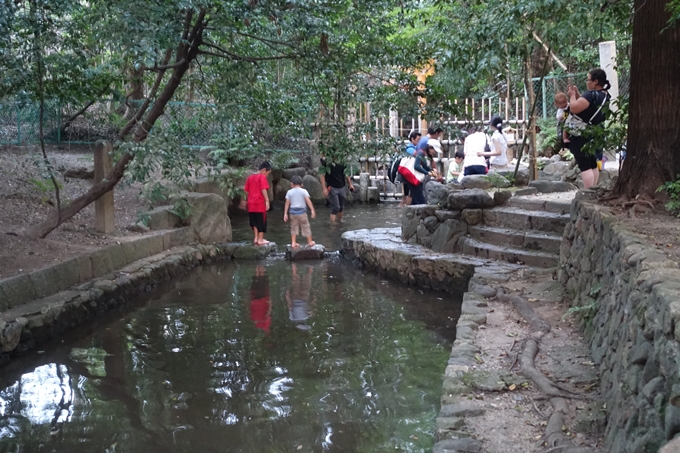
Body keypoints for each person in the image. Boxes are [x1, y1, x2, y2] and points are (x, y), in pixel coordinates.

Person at [566, 68, 611, 189]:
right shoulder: (604, 95)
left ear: (595, 81)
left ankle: (587, 191)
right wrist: (577, 95)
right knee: (592, 163)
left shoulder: (590, 94)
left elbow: (574, 108)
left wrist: (571, 96)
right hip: (592, 131)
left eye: (588, 79)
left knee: (584, 165)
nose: (587, 82)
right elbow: (586, 105)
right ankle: (593, 189)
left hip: (580, 133)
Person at [243, 161, 272, 245]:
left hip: (251, 205)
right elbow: (263, 189)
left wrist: (245, 201)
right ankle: (261, 239)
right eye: (267, 173)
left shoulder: (250, 177)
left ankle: (256, 238)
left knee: (255, 222)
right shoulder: (262, 177)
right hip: (259, 204)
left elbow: (245, 191)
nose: (267, 175)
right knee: (261, 221)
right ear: (263, 170)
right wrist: (267, 200)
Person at [283, 175, 316, 248]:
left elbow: (287, 203)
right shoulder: (304, 191)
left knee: (293, 227)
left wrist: (285, 213)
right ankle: (310, 241)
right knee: (306, 226)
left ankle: (293, 242)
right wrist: (312, 210)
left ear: (291, 184)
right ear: (301, 184)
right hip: (302, 213)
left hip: (293, 213)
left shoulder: (289, 192)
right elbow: (308, 201)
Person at [320, 158, 355, 223]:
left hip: (341, 186)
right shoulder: (327, 163)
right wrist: (324, 188)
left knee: (341, 207)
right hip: (332, 187)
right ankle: (333, 225)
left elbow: (346, 174)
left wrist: (350, 184)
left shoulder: (342, 161)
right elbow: (322, 176)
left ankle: (339, 222)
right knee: (335, 207)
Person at [286, 264, 315, 331]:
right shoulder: (292, 318)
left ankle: (311, 265)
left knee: (308, 277)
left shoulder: (306, 316)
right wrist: (287, 296)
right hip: (295, 298)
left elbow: (310, 308)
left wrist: (313, 299)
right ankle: (294, 265)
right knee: (295, 278)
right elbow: (290, 306)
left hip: (304, 298)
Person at [398, 130, 421, 207]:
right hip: (407, 173)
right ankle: (407, 207)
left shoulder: (414, 147)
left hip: (409, 172)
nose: (419, 142)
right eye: (418, 140)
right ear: (412, 139)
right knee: (408, 192)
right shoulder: (409, 148)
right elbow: (416, 154)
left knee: (408, 191)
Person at [250, 265, 271, 333]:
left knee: (262, 278)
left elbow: (268, 314)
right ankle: (257, 266)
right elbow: (250, 310)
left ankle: (261, 264)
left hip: (263, 299)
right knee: (256, 280)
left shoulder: (265, 325)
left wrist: (270, 302)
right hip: (254, 300)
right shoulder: (255, 322)